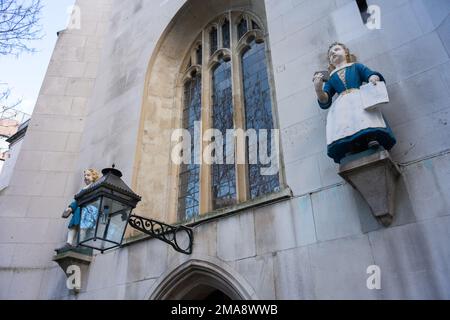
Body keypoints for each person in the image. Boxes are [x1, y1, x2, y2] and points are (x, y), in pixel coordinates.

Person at [313, 42, 397, 164]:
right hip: (342, 104)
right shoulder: (331, 78)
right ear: (330, 62)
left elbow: (369, 74)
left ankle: (371, 138)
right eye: (331, 54)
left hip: (358, 97)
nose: (333, 53)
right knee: (345, 123)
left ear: (345, 52)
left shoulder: (356, 66)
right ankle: (352, 146)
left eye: (336, 50)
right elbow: (325, 99)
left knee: (364, 117)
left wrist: (373, 78)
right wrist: (318, 89)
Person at [58, 169, 101, 251]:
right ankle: (69, 243)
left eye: (88, 175)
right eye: (85, 175)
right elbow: (77, 200)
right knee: (73, 225)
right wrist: (70, 208)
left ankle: (81, 244)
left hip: (90, 211)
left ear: (94, 176)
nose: (85, 177)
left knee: (83, 227)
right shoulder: (84, 189)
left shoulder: (96, 187)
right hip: (80, 210)